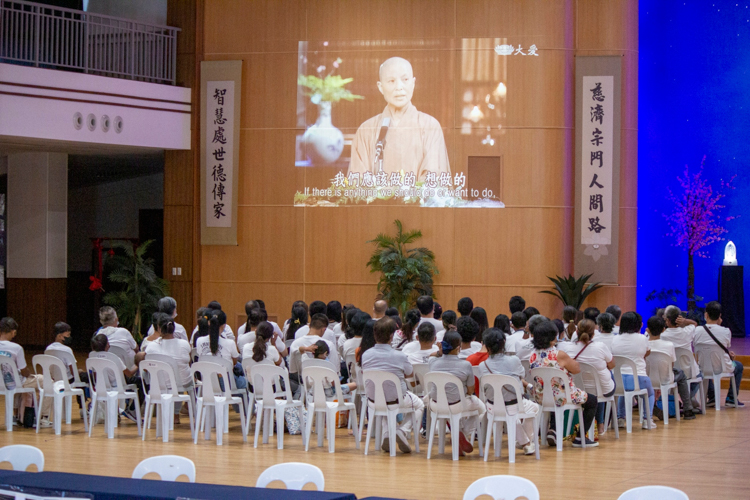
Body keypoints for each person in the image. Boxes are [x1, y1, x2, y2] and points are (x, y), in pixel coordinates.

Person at [347, 57, 450, 180]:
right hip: (375, 200)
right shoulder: (366, 130)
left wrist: (408, 197)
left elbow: (434, 180)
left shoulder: (430, 126)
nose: (399, 87)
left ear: (413, 83)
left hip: (418, 200)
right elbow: (357, 182)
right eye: (391, 81)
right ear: (380, 87)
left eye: (405, 79)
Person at [529, 320, 598, 447]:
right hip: (562, 396)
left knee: (556, 396)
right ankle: (579, 437)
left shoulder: (532, 354)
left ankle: (554, 431)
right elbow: (576, 369)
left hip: (541, 397)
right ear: (552, 339)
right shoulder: (558, 354)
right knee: (592, 401)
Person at [361, 316, 425, 454]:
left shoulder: (365, 355)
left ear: (374, 334)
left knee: (385, 403)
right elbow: (409, 373)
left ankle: (387, 434)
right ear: (392, 336)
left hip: (373, 400)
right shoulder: (399, 356)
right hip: (397, 399)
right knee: (420, 404)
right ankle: (402, 431)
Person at [477, 328, 539, 455]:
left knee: (510, 413)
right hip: (514, 404)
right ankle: (525, 442)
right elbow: (522, 375)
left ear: (486, 346)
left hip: (492, 407)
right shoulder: (514, 360)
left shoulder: (482, 365)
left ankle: (524, 442)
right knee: (534, 408)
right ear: (504, 343)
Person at [427, 330, 486, 456]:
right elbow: (470, 390)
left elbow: (432, 356)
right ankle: (462, 433)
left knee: (451, 408)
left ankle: (457, 433)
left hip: (436, 404)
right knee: (482, 409)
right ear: (458, 348)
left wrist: (440, 352)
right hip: (457, 405)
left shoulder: (432, 363)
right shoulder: (465, 365)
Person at [558, 319, 616, 435]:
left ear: (576, 332)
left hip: (577, 389)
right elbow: (612, 364)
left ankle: (596, 424)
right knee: (606, 377)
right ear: (594, 333)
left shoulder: (567, 348)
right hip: (603, 390)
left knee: (594, 389)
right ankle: (600, 424)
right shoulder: (600, 347)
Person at [0, 318, 52, 427]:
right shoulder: (16, 348)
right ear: (13, 331)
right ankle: (43, 417)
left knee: (14, 385)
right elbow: (24, 371)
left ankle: (15, 416)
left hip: (2, 383)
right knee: (48, 381)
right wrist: (29, 374)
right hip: (15, 382)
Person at [144, 313, 192, 424]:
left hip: (160, 384)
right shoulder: (184, 344)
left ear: (159, 328)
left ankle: (166, 413)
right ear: (173, 328)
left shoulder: (151, 346)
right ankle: (176, 414)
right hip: (183, 383)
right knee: (179, 379)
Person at [694, 301, 744, 408]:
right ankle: (731, 398)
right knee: (738, 366)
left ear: (706, 315)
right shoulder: (726, 331)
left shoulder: (696, 331)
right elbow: (725, 345)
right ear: (719, 316)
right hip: (723, 367)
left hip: (702, 367)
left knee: (708, 368)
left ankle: (712, 396)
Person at [646, 315, 697, 419]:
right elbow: (671, 365)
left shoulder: (643, 344)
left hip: (646, 378)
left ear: (647, 330)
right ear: (663, 330)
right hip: (665, 379)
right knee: (681, 374)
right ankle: (688, 409)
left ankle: (651, 406)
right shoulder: (668, 345)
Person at [611, 312, 656, 429]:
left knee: (623, 392)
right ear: (638, 325)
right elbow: (647, 352)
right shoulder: (642, 338)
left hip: (618, 379)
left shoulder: (614, 339)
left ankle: (620, 418)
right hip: (639, 377)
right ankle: (647, 419)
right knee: (650, 394)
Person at [89, 333, 144, 422]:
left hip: (100, 387)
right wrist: (138, 365)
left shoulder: (91, 357)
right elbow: (129, 374)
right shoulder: (114, 358)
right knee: (141, 382)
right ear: (107, 345)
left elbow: (95, 374)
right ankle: (131, 410)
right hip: (117, 387)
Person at [195, 312, 246, 390]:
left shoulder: (199, 341)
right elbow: (234, 363)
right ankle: (236, 402)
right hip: (226, 383)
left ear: (209, 323)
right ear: (224, 326)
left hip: (207, 382)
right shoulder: (230, 343)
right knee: (246, 382)